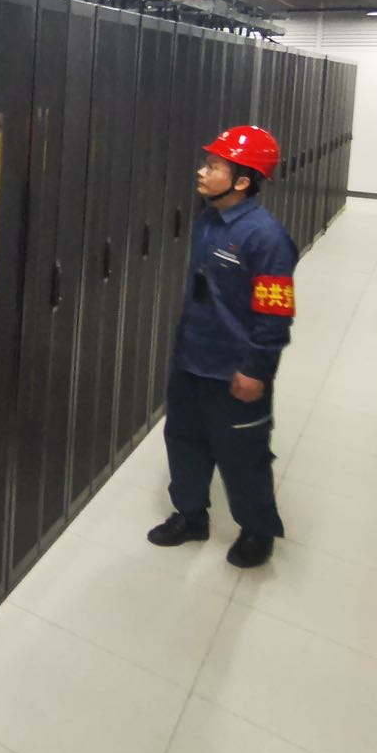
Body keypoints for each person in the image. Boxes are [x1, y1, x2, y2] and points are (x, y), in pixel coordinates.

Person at [147, 126, 298, 569]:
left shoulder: (267, 238)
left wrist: (257, 369)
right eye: (206, 163)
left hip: (235, 369)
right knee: (184, 441)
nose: (202, 171)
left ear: (243, 181)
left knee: (242, 454)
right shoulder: (209, 219)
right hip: (192, 358)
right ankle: (191, 516)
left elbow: (275, 314)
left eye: (214, 166)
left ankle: (258, 530)